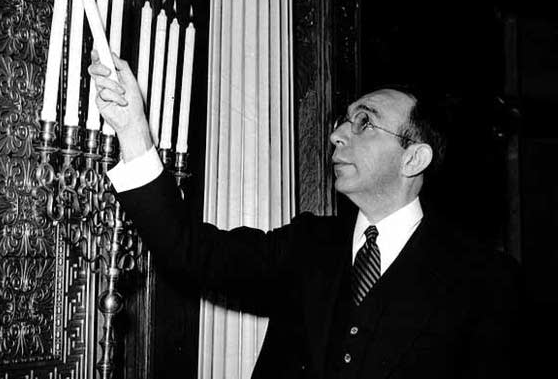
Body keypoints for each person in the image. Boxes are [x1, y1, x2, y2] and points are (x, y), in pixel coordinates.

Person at [88, 50, 522, 379]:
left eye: (364, 123)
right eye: (344, 120)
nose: (336, 134)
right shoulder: (307, 244)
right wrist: (133, 130)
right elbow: (189, 251)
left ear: (414, 159)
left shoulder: (482, 277)